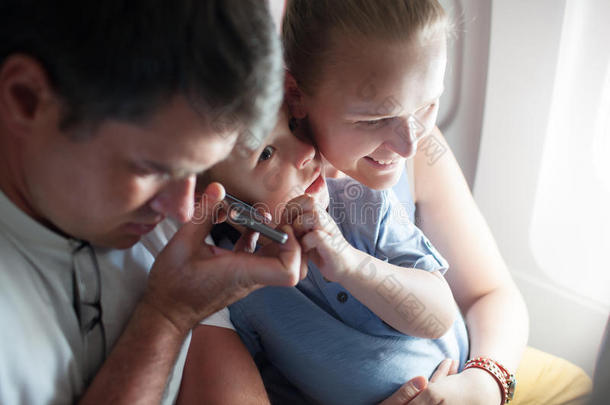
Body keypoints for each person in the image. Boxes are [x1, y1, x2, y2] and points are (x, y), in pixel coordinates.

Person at [281, 0, 593, 403]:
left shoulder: (424, 152)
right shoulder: (255, 185)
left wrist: (484, 384)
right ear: (296, 94)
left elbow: (492, 293)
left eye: (427, 105)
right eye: (373, 119)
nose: (409, 144)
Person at [0, 1, 308, 404]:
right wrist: (167, 318)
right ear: (27, 99)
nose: (182, 211)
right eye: (152, 169)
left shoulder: (150, 225)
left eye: (199, 170)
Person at [179, 103, 464, 404]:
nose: (304, 150)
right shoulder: (239, 290)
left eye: (293, 126)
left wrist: (349, 264)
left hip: (458, 382)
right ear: (223, 208)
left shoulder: (364, 202)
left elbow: (439, 317)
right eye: (266, 153)